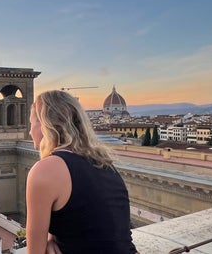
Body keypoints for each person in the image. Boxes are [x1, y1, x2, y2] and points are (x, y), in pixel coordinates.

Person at [26, 90, 137, 254]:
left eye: (31, 123)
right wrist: (52, 237)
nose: (29, 132)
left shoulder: (45, 170)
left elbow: (35, 252)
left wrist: (48, 241)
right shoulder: (104, 163)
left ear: (45, 124)